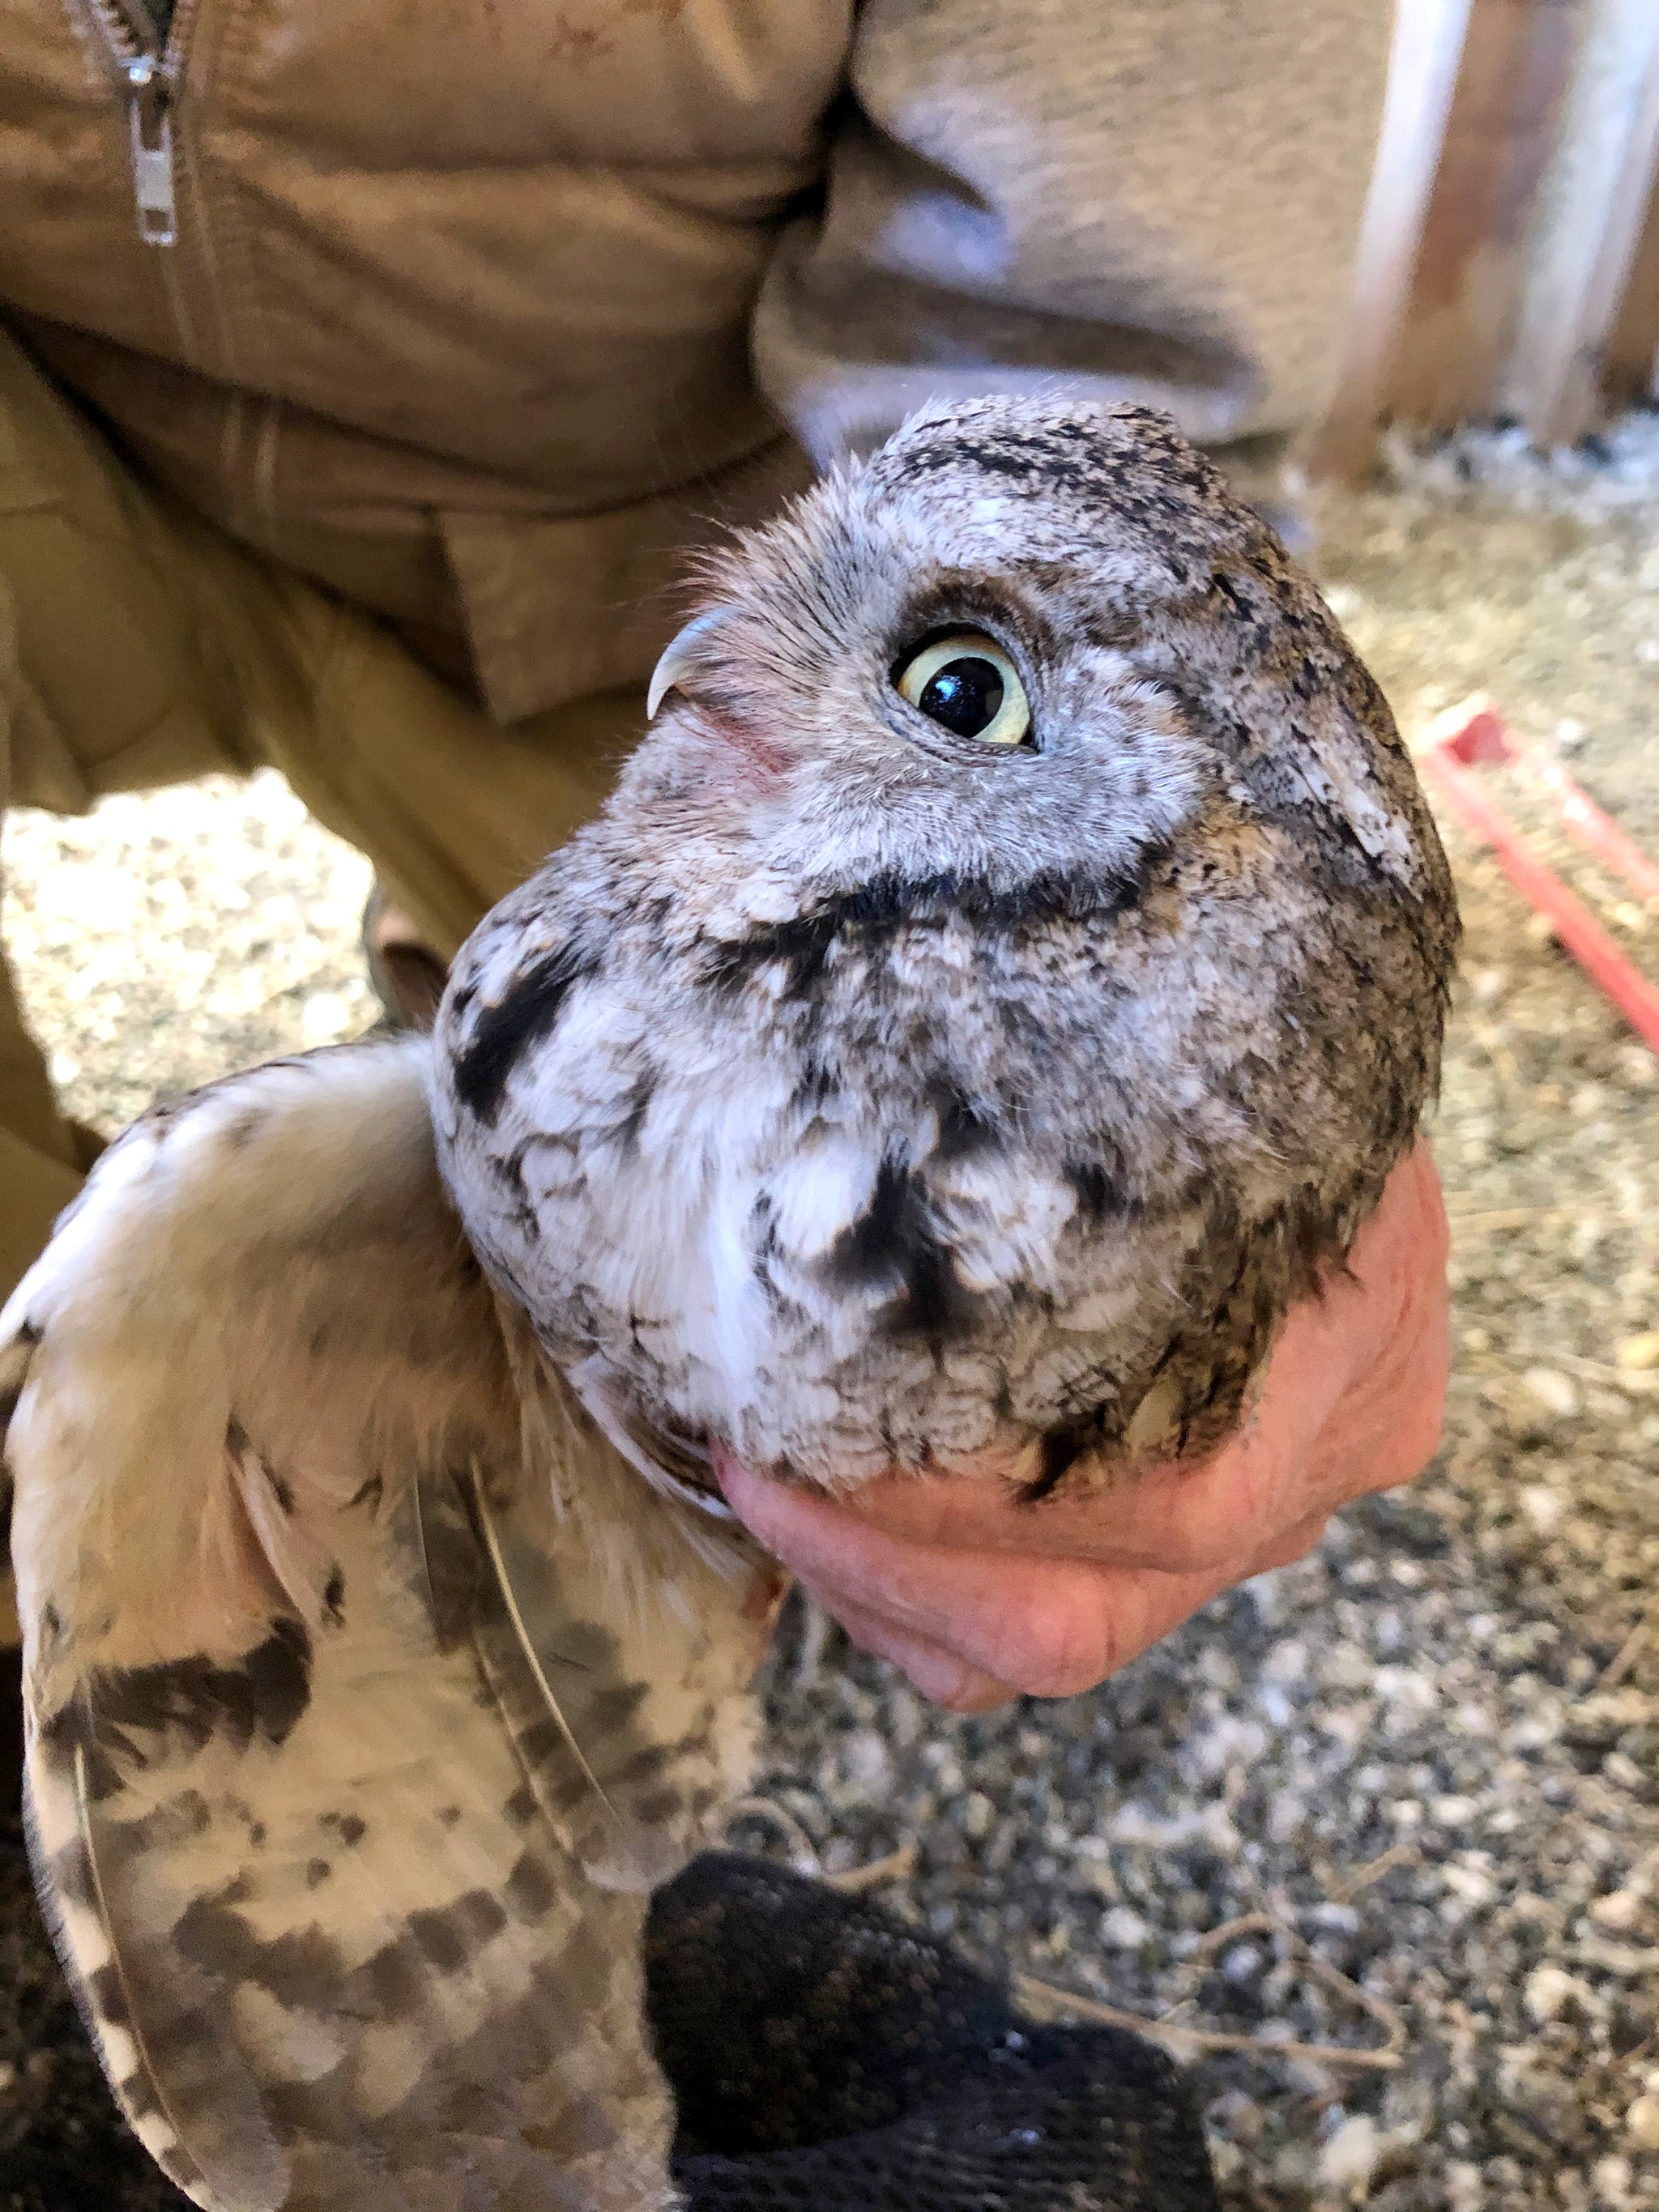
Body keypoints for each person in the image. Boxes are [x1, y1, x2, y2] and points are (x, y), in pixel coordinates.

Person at [0, 0, 1448, 1703]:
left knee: (717, 1215)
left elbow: (1084, 485)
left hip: (617, 519)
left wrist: (1246, 1098)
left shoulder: (931, 705)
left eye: (957, 687)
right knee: (110, 1418)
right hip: (58, 446)